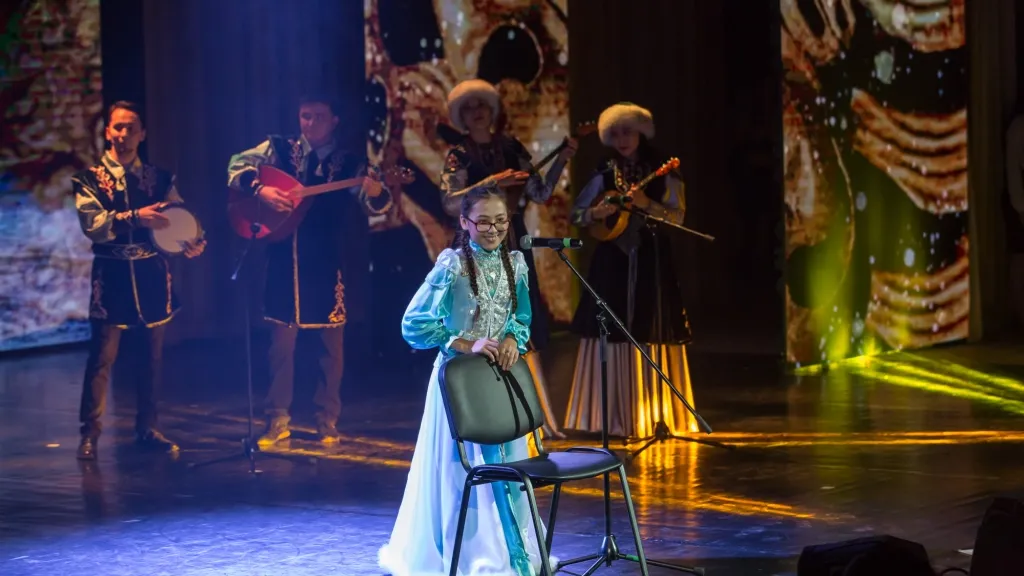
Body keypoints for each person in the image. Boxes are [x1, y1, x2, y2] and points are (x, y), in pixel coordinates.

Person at [379, 187, 552, 575]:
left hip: (498, 382)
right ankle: (474, 556)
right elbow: (414, 323)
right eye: (484, 221)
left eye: (500, 221)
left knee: (511, 468)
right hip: (459, 385)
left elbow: (523, 317)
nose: (493, 229)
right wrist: (464, 343)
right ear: (465, 222)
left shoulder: (515, 263)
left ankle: (516, 555)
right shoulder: (452, 265)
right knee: (461, 474)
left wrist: (513, 339)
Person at [227, 94, 394, 447]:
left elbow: (375, 205)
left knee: (331, 350)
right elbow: (236, 165)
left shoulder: (351, 163)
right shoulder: (278, 148)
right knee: (280, 347)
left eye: (319, 116)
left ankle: (327, 419)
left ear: (334, 120)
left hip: (325, 263)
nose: (311, 123)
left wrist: (377, 189)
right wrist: (261, 189)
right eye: (305, 116)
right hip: (282, 261)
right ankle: (277, 419)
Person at [439, 78, 576, 438]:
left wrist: (562, 159)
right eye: (469, 108)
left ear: (492, 110)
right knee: (482, 325)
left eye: (482, 106)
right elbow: (450, 202)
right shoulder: (459, 155)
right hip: (476, 246)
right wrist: (492, 182)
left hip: (513, 240)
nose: (477, 113)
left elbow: (541, 192)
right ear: (461, 115)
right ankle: (490, 416)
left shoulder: (512, 146)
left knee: (522, 325)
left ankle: (542, 421)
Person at [73, 101, 206, 460]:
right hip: (112, 275)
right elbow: (93, 226)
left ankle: (148, 427)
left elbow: (179, 216)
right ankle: (90, 433)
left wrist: (193, 241)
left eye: (131, 127)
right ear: (107, 132)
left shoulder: (159, 179)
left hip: (151, 275)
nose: (124, 134)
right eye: (118, 127)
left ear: (142, 134)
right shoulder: (89, 180)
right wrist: (135, 216)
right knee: (102, 359)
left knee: (151, 359)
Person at [563, 102, 697, 439]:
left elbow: (678, 217)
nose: (622, 139)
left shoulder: (662, 167)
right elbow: (577, 214)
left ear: (641, 133)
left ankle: (652, 414)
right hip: (612, 258)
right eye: (616, 133)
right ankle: (608, 417)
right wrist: (596, 213)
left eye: (628, 132)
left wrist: (646, 204)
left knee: (650, 324)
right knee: (609, 324)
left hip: (651, 257)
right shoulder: (604, 170)